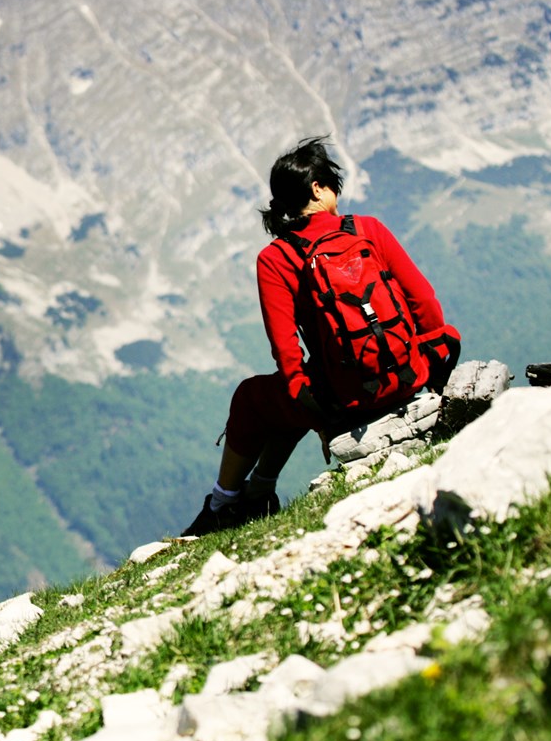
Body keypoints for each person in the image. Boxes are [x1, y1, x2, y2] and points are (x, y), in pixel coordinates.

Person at [182, 136, 457, 537]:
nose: (337, 197)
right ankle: (259, 492)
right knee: (291, 392)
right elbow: (426, 304)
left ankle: (223, 504)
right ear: (317, 189)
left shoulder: (275, 258)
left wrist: (320, 418)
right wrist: (430, 371)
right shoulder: (368, 229)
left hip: (346, 400)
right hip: (410, 377)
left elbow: (287, 357)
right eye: (332, 186)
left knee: (254, 397)